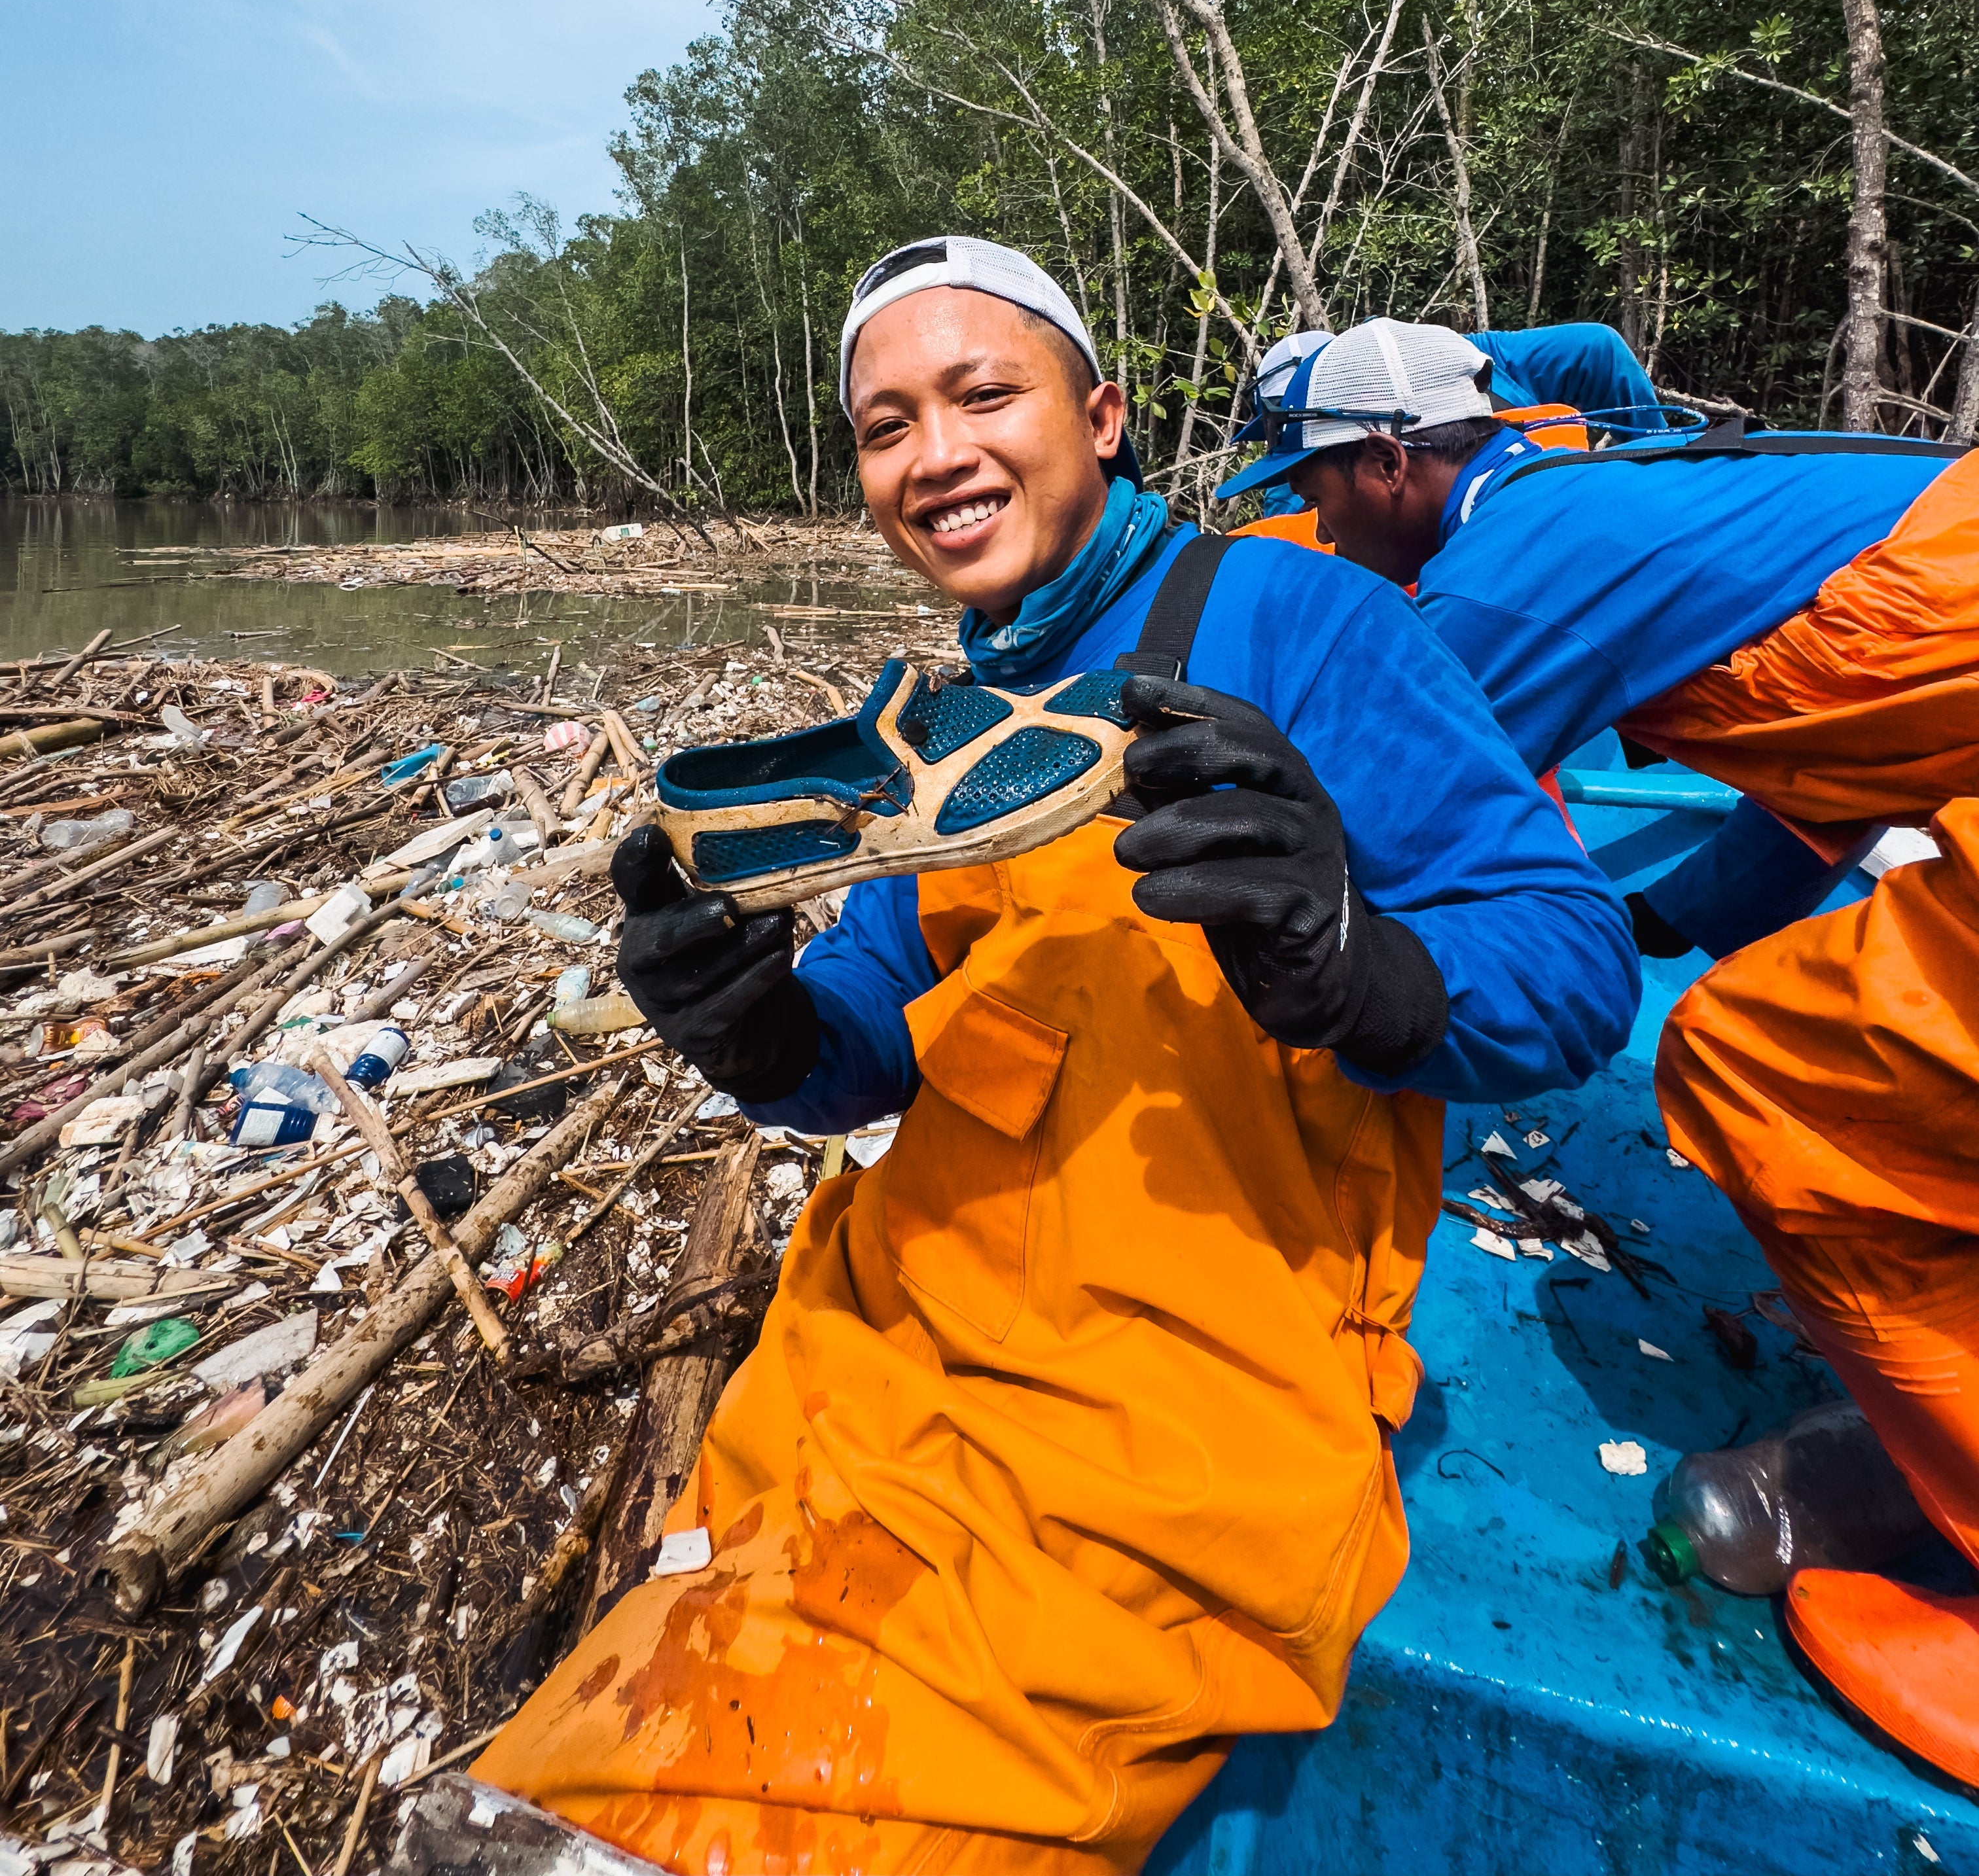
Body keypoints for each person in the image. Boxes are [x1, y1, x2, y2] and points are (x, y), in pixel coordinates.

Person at [473, 239, 1639, 1876]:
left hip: (1180, 1385)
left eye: (981, 394)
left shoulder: (1297, 619)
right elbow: (872, 1036)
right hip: (898, 1337)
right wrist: (757, 1027)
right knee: (632, 1730)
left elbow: (1575, 964)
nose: (933, 455)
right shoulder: (954, 722)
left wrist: (1355, 961)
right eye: (886, 427)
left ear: (1098, 417)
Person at [1267, 313, 1979, 1781]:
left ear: (1392, 463)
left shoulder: (1506, 575)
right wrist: (1660, 916)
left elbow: (1381, 812)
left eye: (1320, 482)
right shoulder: (1597, 483)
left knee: (1769, 1071)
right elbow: (1824, 772)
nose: (1317, 516)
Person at [1215, 317, 1666, 547]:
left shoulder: (1456, 358)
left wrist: (1652, 469)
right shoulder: (1296, 493)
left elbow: (1598, 350)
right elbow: (1292, 520)